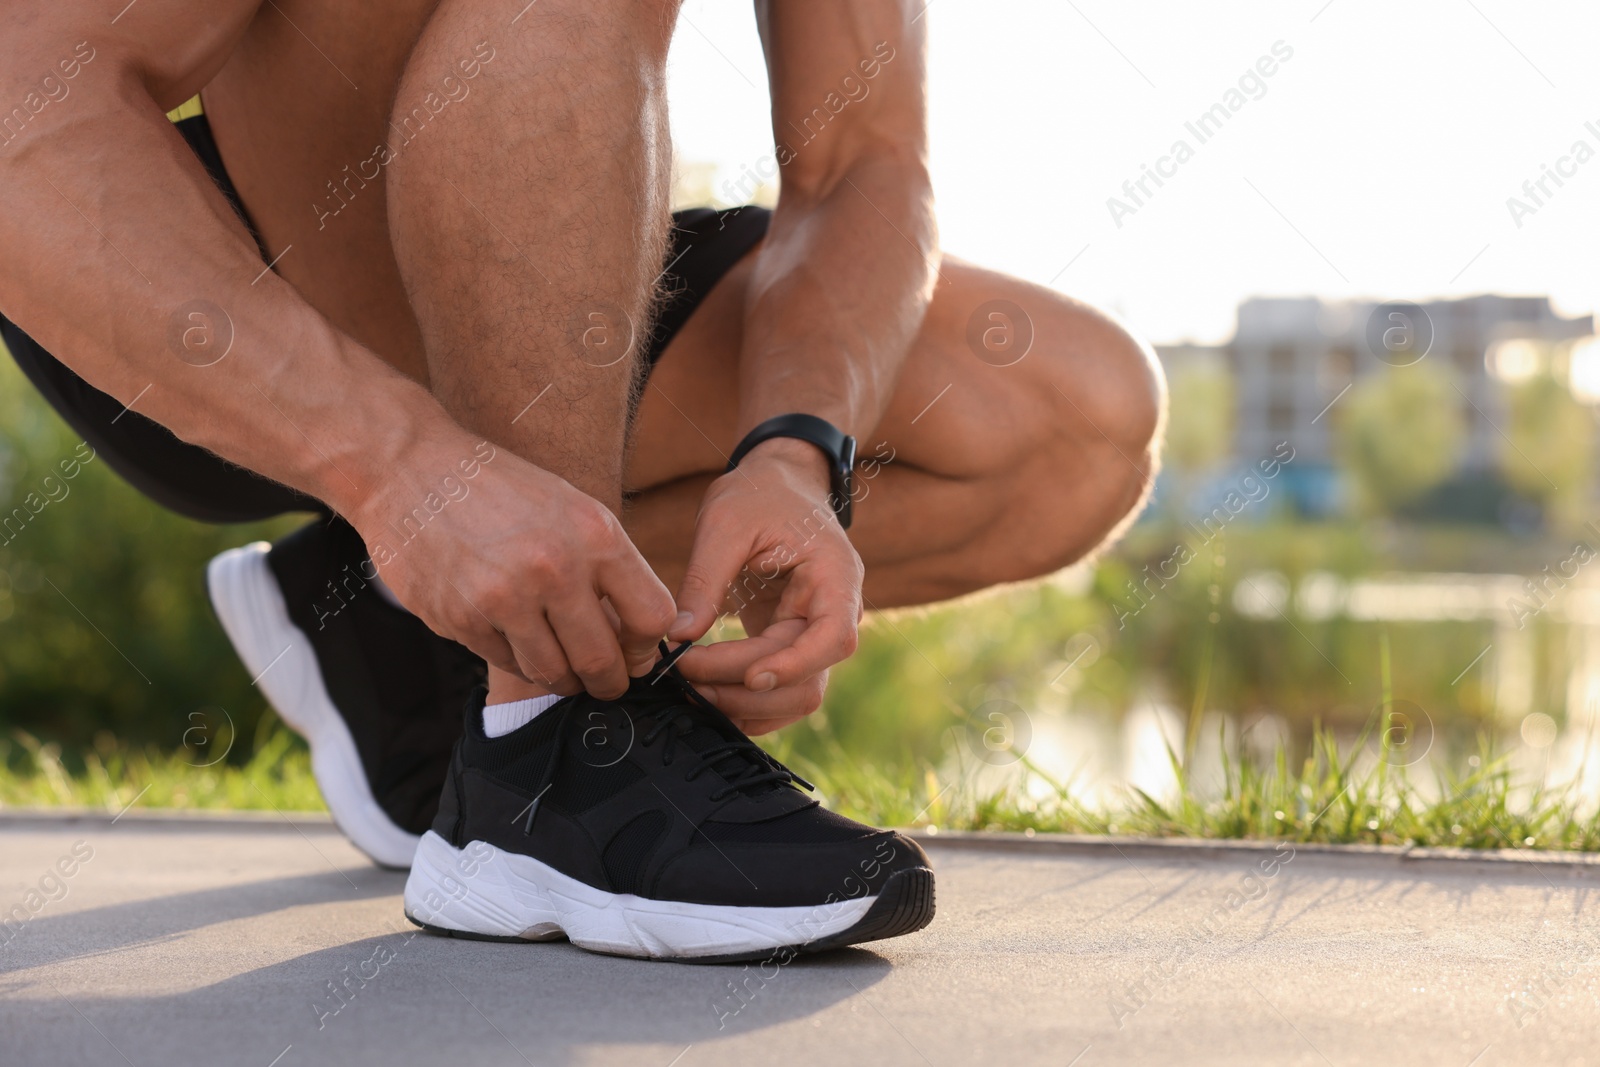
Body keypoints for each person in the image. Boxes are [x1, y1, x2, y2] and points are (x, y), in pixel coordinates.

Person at [0, 0, 1162, 961]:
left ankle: (419, 638)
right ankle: (549, 750)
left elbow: (866, 158)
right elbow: (21, 101)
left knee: (1070, 421)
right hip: (175, 273)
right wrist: (398, 467)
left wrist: (793, 452)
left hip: (525, 235)